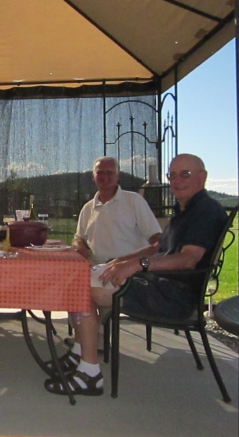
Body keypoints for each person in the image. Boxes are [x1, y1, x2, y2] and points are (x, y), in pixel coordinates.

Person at [45, 154, 228, 396]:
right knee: (78, 282)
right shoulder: (186, 209)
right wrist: (122, 261)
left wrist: (137, 265)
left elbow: (188, 259)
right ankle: (82, 356)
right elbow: (158, 247)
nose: (177, 180)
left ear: (202, 177)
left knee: (79, 289)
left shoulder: (204, 210)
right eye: (172, 175)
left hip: (173, 296)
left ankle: (89, 374)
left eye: (185, 174)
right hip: (158, 283)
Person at [63, 157, 162, 368]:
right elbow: (78, 236)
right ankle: (88, 338)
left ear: (118, 175)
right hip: (98, 268)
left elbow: (157, 242)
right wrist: (78, 244)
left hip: (129, 271)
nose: (105, 176)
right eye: (101, 172)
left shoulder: (133, 201)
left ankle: (89, 343)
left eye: (110, 172)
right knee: (69, 283)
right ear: (93, 176)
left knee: (79, 290)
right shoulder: (88, 208)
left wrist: (130, 262)